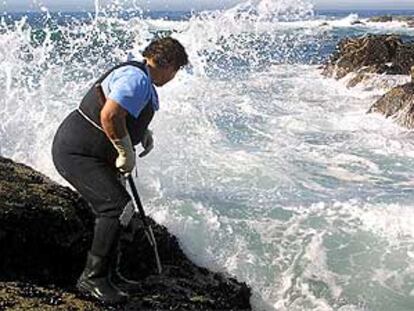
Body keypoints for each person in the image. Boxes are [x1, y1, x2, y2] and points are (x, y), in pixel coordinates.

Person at [52, 37, 188, 304]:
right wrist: (126, 150)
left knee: (123, 213)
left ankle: (110, 274)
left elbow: (122, 111)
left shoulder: (138, 74)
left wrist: (142, 132)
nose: (173, 77)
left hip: (94, 154)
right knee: (116, 208)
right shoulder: (136, 79)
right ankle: (92, 279)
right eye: (176, 71)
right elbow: (110, 115)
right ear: (168, 64)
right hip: (79, 154)